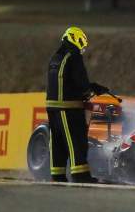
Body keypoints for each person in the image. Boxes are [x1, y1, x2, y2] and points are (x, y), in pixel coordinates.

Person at [45, 27, 110, 183]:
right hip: (69, 106)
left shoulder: (55, 57)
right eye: (82, 43)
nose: (82, 48)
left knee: (57, 142)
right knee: (76, 140)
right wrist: (93, 89)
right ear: (76, 39)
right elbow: (80, 81)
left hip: (52, 107)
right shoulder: (73, 56)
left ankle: (57, 175)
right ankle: (80, 174)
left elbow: (66, 81)